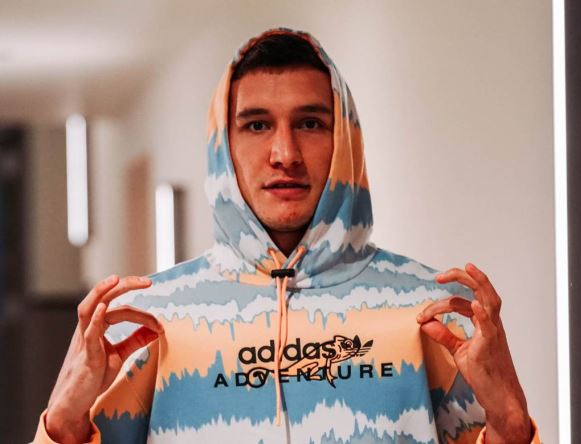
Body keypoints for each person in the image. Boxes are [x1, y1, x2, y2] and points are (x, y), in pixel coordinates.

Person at [35, 28, 540, 443]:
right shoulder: (148, 321)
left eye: (311, 123)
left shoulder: (430, 311)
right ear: (222, 146)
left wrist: (512, 425)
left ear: (345, 141)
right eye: (257, 125)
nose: (285, 154)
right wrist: (62, 426)